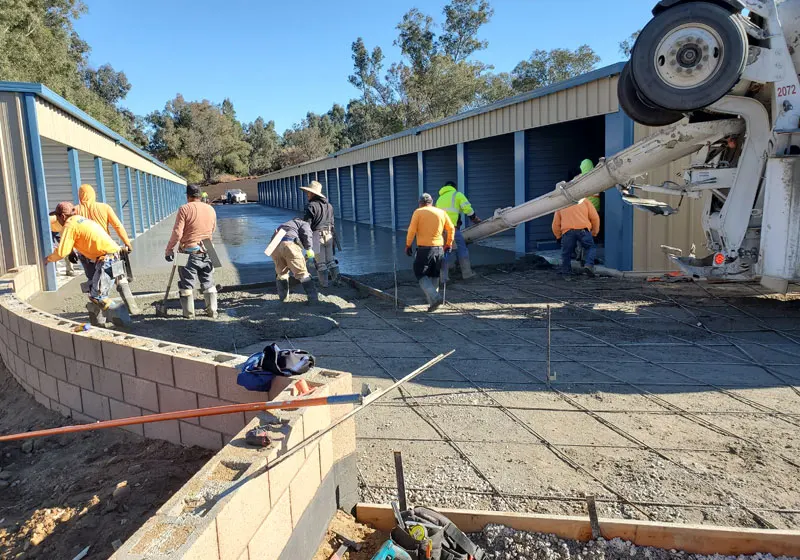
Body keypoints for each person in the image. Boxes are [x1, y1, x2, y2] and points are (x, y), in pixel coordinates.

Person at [75, 183, 139, 313]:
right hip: (106, 252)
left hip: (86, 255)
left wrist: (71, 251)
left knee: (94, 284)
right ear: (93, 195)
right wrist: (127, 243)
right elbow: (118, 226)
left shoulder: (75, 211)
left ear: (80, 196)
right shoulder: (104, 207)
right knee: (119, 278)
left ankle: (98, 317)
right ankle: (132, 309)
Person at [46, 202, 122, 310]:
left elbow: (61, 252)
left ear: (62, 216)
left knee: (98, 296)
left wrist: (47, 259)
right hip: (113, 256)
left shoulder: (69, 224)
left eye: (57, 217)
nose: (57, 220)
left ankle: (122, 318)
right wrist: (72, 251)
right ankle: (99, 322)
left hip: (107, 259)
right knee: (95, 292)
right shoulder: (79, 219)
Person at [165, 185, 219, 319]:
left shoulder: (184, 209)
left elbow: (177, 233)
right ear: (200, 196)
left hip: (187, 249)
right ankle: (212, 311)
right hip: (208, 248)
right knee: (208, 281)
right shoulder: (210, 209)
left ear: (188, 196)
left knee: (186, 283)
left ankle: (189, 314)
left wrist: (169, 249)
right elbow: (213, 228)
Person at [406, 193, 455, 312]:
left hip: (425, 249)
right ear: (431, 202)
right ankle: (433, 304)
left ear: (420, 203)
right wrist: (449, 243)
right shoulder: (441, 212)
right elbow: (451, 228)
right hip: (439, 248)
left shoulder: (418, 212)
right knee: (434, 275)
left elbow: (412, 230)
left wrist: (408, 245)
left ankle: (436, 297)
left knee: (420, 273)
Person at [435, 181, 481, 280]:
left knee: (445, 252)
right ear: (454, 187)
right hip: (453, 229)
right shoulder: (457, 195)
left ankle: (443, 278)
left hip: (441, 231)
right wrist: (474, 219)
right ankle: (467, 274)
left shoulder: (439, 199)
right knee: (462, 249)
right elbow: (467, 209)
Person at [270, 218, 318, 303]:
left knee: (281, 273)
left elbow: (273, 240)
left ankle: (283, 299)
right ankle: (313, 300)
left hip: (273, 246)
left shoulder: (286, 225)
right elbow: (307, 234)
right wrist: (309, 248)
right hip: (289, 244)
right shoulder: (303, 223)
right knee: (302, 273)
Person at [301, 180, 338, 288]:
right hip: (329, 235)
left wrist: (304, 241)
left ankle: (324, 285)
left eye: (308, 192)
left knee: (321, 263)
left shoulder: (311, 206)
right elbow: (332, 223)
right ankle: (337, 281)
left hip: (317, 236)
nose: (307, 194)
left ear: (313, 193)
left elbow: (306, 226)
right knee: (331, 261)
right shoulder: (329, 206)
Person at [552, 198, 600, 277]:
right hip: (583, 230)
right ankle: (589, 265)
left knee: (566, 253)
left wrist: (558, 236)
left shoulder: (562, 204)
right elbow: (595, 218)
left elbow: (555, 223)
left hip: (567, 232)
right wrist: (594, 233)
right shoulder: (585, 201)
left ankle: (566, 272)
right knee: (590, 247)